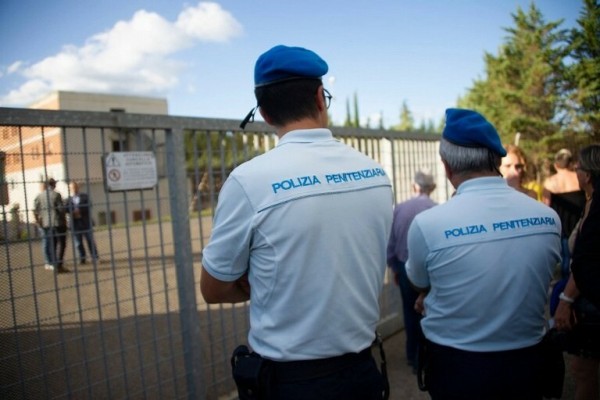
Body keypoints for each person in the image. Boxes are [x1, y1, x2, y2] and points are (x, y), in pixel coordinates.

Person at [200, 44, 393, 400]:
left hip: (290, 383)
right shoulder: (375, 173)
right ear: (321, 98)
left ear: (265, 113)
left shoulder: (248, 182)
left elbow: (213, 289)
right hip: (362, 374)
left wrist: (258, 282)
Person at [405, 108, 562, 399]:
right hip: (529, 366)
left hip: (458, 368)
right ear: (498, 160)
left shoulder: (428, 225)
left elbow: (419, 283)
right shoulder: (548, 218)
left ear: (446, 166)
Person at [554, 144, 600, 400]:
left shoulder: (596, 207)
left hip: (589, 300)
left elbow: (588, 260)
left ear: (589, 175)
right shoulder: (589, 201)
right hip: (586, 294)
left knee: (582, 369)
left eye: (578, 168)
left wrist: (566, 299)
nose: (575, 171)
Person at [386, 170, 437, 372]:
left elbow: (391, 241)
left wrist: (394, 267)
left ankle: (412, 355)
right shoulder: (435, 209)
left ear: (414, 186)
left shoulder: (399, 209)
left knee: (409, 311)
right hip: (428, 268)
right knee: (428, 310)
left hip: (403, 264)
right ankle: (426, 355)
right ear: (431, 188)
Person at [543, 148, 586, 279]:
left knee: (565, 257)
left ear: (556, 164)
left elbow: (546, 206)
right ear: (570, 163)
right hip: (580, 222)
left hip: (560, 224)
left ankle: (565, 283)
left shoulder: (550, 182)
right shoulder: (579, 178)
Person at [33, 178, 69, 273]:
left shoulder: (40, 196)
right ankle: (59, 264)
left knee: (52, 244)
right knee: (62, 244)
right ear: (53, 185)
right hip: (58, 223)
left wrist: (38, 221)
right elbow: (61, 210)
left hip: (46, 224)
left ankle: (54, 263)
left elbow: (35, 210)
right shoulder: (56, 194)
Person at [66, 181, 99, 265]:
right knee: (78, 243)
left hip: (86, 222)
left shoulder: (85, 196)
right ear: (70, 189)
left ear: (78, 188)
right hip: (75, 223)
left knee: (90, 240)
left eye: (75, 187)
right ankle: (82, 258)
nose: (74, 189)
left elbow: (89, 205)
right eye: (72, 188)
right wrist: (72, 212)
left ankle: (95, 257)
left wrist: (79, 210)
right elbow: (65, 209)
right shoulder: (67, 199)